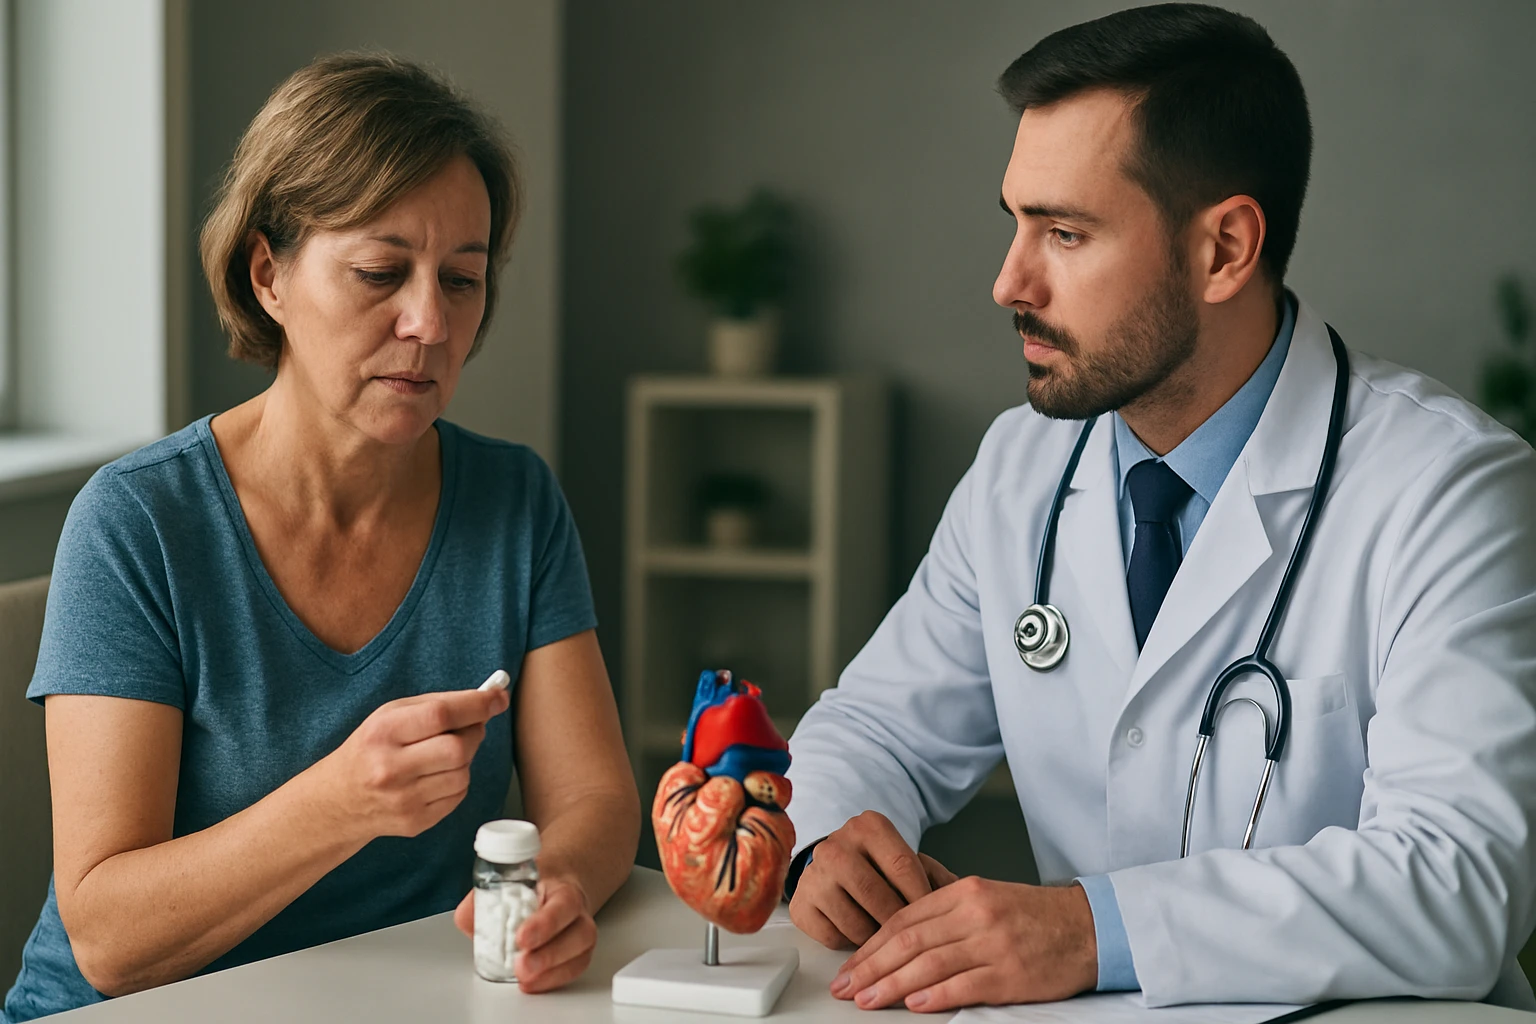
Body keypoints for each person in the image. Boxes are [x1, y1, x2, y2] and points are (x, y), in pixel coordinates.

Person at [782, 4, 1536, 1015]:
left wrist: (1093, 927)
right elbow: (877, 725)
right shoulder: (1022, 470)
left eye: (1065, 232)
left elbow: (1458, 882)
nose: (1009, 279)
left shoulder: (1450, 490)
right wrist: (828, 838)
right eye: (1015, 221)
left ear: (1225, 248)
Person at [2, 53, 639, 1022]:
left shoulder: (515, 502)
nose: (429, 322)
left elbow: (595, 802)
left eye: (462, 281)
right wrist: (339, 801)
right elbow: (107, 937)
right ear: (269, 275)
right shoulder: (138, 524)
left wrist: (555, 889)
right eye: (381, 272)